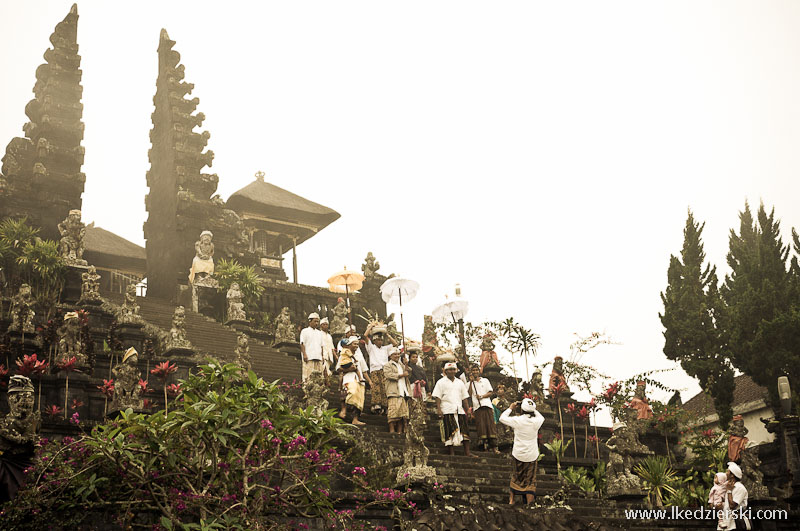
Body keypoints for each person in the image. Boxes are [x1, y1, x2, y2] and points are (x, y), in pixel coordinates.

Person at [499, 398, 545, 505]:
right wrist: (533, 409)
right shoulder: (536, 422)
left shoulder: (517, 420)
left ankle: (512, 500)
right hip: (531, 455)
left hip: (518, 453)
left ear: (521, 410)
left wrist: (511, 408)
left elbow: (502, 418)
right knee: (529, 480)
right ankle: (529, 504)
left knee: (516, 475)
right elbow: (541, 417)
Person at [432, 362, 475, 457]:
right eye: (449, 370)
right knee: (449, 431)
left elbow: (464, 398)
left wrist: (467, 410)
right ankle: (452, 453)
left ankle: (467, 452)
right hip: (447, 409)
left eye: (453, 369)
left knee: (464, 431)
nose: (451, 371)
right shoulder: (441, 382)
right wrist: (439, 409)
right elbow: (438, 397)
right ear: (445, 371)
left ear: (456, 371)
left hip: (459, 409)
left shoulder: (460, 382)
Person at [336, 336, 371, 426]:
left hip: (360, 380)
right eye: (354, 344)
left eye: (357, 344)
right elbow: (338, 369)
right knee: (351, 391)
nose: (356, 346)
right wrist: (349, 370)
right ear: (349, 345)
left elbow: (364, 370)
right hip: (349, 377)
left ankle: (355, 419)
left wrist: (370, 381)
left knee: (359, 399)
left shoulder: (360, 356)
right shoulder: (344, 354)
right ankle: (344, 410)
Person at [364, 323, 398, 414]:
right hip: (375, 370)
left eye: (381, 340)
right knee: (376, 387)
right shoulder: (371, 347)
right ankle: (376, 405)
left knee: (384, 388)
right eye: (378, 340)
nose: (380, 342)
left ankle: (385, 405)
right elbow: (365, 336)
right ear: (374, 341)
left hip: (384, 370)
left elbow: (395, 344)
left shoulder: (385, 349)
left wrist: (386, 334)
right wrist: (371, 326)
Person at [467, 364, 499, 453]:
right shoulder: (470, 383)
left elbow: (490, 393)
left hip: (487, 405)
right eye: (473, 370)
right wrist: (470, 382)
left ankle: (494, 448)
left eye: (476, 370)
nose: (475, 372)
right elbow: (469, 394)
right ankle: (484, 447)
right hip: (477, 407)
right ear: (471, 372)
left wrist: (481, 396)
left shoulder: (485, 381)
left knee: (491, 427)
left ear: (479, 371)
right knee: (481, 428)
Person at [383, 348, 411, 434]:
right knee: (393, 411)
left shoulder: (401, 365)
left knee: (402, 413)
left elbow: (409, 373)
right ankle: (392, 430)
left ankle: (399, 431)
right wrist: (402, 375)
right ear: (390, 356)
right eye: (395, 354)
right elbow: (388, 375)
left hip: (402, 391)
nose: (397, 356)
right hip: (393, 390)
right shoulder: (388, 365)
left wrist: (407, 364)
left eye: (398, 354)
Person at [721, 461, 749, 531]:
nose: (726, 473)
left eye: (727, 472)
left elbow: (732, 506)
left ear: (732, 475)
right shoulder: (729, 486)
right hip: (727, 523)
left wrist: (729, 491)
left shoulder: (740, 488)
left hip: (735, 524)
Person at [300, 313, 325, 382]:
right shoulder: (304, 331)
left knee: (319, 376)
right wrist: (304, 354)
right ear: (310, 321)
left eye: (317, 321)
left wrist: (322, 356)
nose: (316, 323)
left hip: (318, 357)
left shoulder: (320, 333)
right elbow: (302, 343)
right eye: (315, 321)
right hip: (309, 356)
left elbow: (321, 346)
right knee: (308, 375)